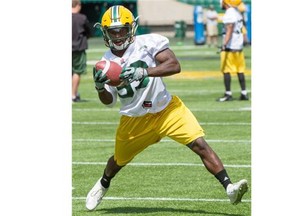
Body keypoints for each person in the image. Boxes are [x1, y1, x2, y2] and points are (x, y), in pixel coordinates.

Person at [86, 5, 248, 211]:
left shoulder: (147, 43)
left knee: (199, 144)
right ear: (105, 32)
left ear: (131, 28)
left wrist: (145, 72)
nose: (118, 36)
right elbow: (108, 101)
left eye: (122, 30)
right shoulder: (105, 62)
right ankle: (103, 184)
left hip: (166, 109)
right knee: (118, 160)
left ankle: (229, 188)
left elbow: (174, 65)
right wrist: (99, 87)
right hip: (134, 119)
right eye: (113, 31)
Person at [217, 0, 249, 102]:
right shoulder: (237, 11)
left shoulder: (229, 12)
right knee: (240, 70)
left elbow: (230, 28)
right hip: (238, 47)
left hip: (230, 47)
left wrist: (224, 44)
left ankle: (228, 94)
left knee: (226, 71)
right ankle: (244, 93)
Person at [72, 0, 91, 102]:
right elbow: (88, 32)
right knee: (77, 71)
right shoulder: (82, 18)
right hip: (78, 48)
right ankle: (73, 95)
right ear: (78, 5)